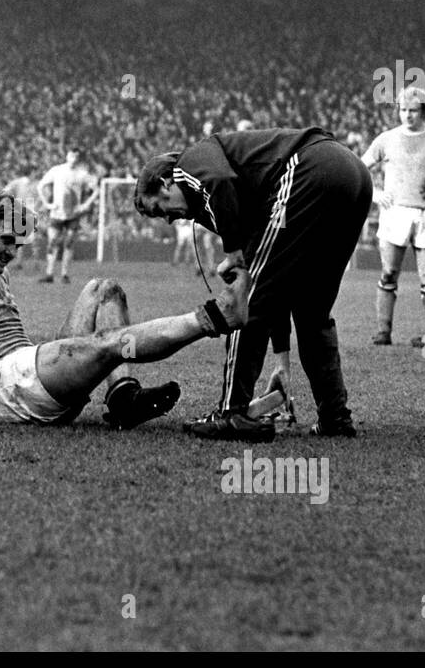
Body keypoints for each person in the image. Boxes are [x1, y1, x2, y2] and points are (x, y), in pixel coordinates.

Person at [0, 192, 251, 427]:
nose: (13, 252)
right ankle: (216, 316)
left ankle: (123, 396)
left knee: (103, 289)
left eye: (18, 243)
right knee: (110, 344)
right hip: (3, 387)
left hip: (30, 374)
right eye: (7, 240)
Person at [134, 126, 372, 441]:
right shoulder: (224, 203)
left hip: (309, 168)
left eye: (158, 208)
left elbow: (220, 181)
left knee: (248, 298)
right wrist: (282, 361)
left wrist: (233, 256)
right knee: (312, 309)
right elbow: (277, 290)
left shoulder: (189, 166)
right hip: (352, 175)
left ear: (165, 183)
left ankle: (230, 413)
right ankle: (335, 419)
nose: (168, 219)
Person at [360, 86, 425, 347]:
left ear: (424, 111)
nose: (407, 115)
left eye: (413, 110)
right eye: (403, 110)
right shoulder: (386, 139)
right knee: (389, 272)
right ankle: (383, 331)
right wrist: (375, 193)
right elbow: (359, 166)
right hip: (395, 214)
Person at [38, 147, 96, 284]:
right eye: (71, 155)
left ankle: (64, 274)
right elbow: (40, 186)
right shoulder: (57, 170)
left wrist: (85, 205)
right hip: (57, 214)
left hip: (73, 215)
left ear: (78, 158)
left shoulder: (82, 174)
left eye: (76, 156)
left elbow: (96, 190)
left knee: (69, 243)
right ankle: (49, 274)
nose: (73, 159)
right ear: (67, 156)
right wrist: (47, 204)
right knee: (52, 243)